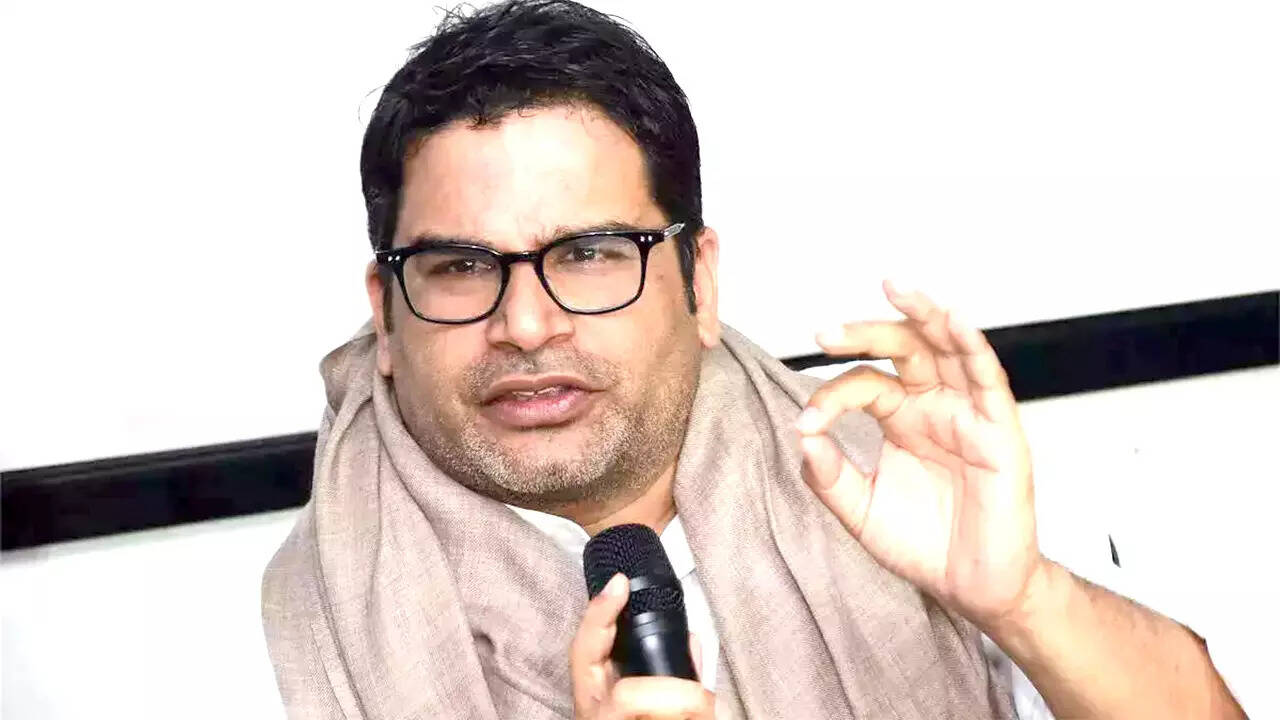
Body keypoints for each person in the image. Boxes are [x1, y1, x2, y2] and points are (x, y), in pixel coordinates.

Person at [261, 1, 1247, 717]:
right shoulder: (287, 646)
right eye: (461, 267)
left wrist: (1020, 599)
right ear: (384, 314)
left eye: (590, 254)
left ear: (699, 280)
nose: (524, 324)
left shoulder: (915, 477)